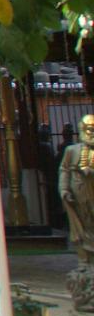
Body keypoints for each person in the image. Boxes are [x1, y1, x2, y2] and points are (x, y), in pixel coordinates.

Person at [60, 114, 94, 266]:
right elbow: (64, 170)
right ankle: (84, 259)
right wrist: (64, 189)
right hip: (79, 193)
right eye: (89, 129)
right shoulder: (71, 151)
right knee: (81, 224)